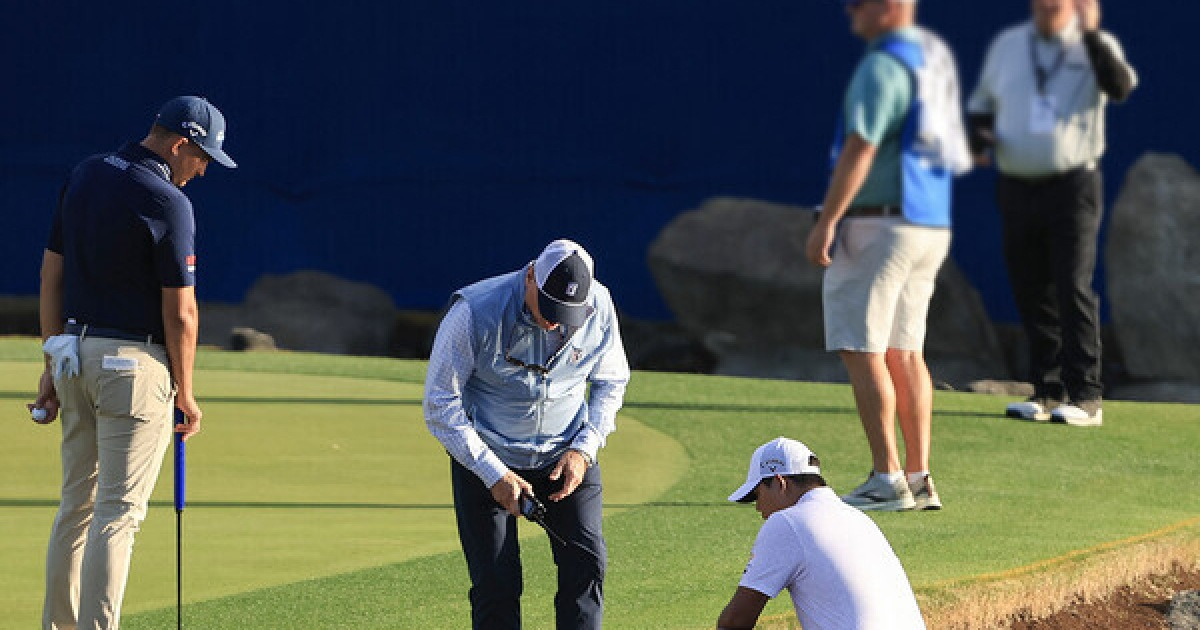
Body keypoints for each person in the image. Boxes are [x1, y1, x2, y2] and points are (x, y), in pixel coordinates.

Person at [28, 95, 235, 629]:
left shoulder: (86, 173)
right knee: (117, 515)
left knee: (75, 507)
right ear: (180, 144)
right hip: (133, 367)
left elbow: (52, 275)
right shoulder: (167, 200)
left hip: (74, 354)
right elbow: (182, 313)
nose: (204, 170)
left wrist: (51, 359)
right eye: (203, 157)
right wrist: (186, 392)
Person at [805, 0, 970, 511]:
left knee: (863, 348)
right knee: (905, 351)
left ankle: (887, 477)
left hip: (881, 222)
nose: (850, 10)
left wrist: (829, 220)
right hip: (928, 221)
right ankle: (919, 478)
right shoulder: (935, 57)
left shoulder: (882, 65)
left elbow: (862, 146)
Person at [424, 239, 630, 630]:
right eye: (550, 308)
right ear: (531, 276)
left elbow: (612, 381)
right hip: (487, 457)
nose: (556, 322)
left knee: (586, 568)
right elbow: (439, 404)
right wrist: (493, 474)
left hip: (567, 454)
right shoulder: (474, 311)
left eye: (568, 313)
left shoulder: (600, 305)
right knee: (497, 586)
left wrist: (584, 450)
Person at [967, 0, 1137, 427]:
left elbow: (1119, 87)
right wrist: (978, 140)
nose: (1047, 12)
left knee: (1072, 284)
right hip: (1017, 185)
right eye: (1041, 7)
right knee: (1030, 286)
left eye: (1057, 7)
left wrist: (1093, 36)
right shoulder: (1009, 45)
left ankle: (1086, 396)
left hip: (1072, 185)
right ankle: (1047, 389)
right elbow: (982, 107)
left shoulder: (1097, 47)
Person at [716, 437, 925, 630]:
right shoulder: (859, 518)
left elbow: (735, 622)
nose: (758, 507)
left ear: (780, 483)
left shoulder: (787, 522)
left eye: (757, 495)